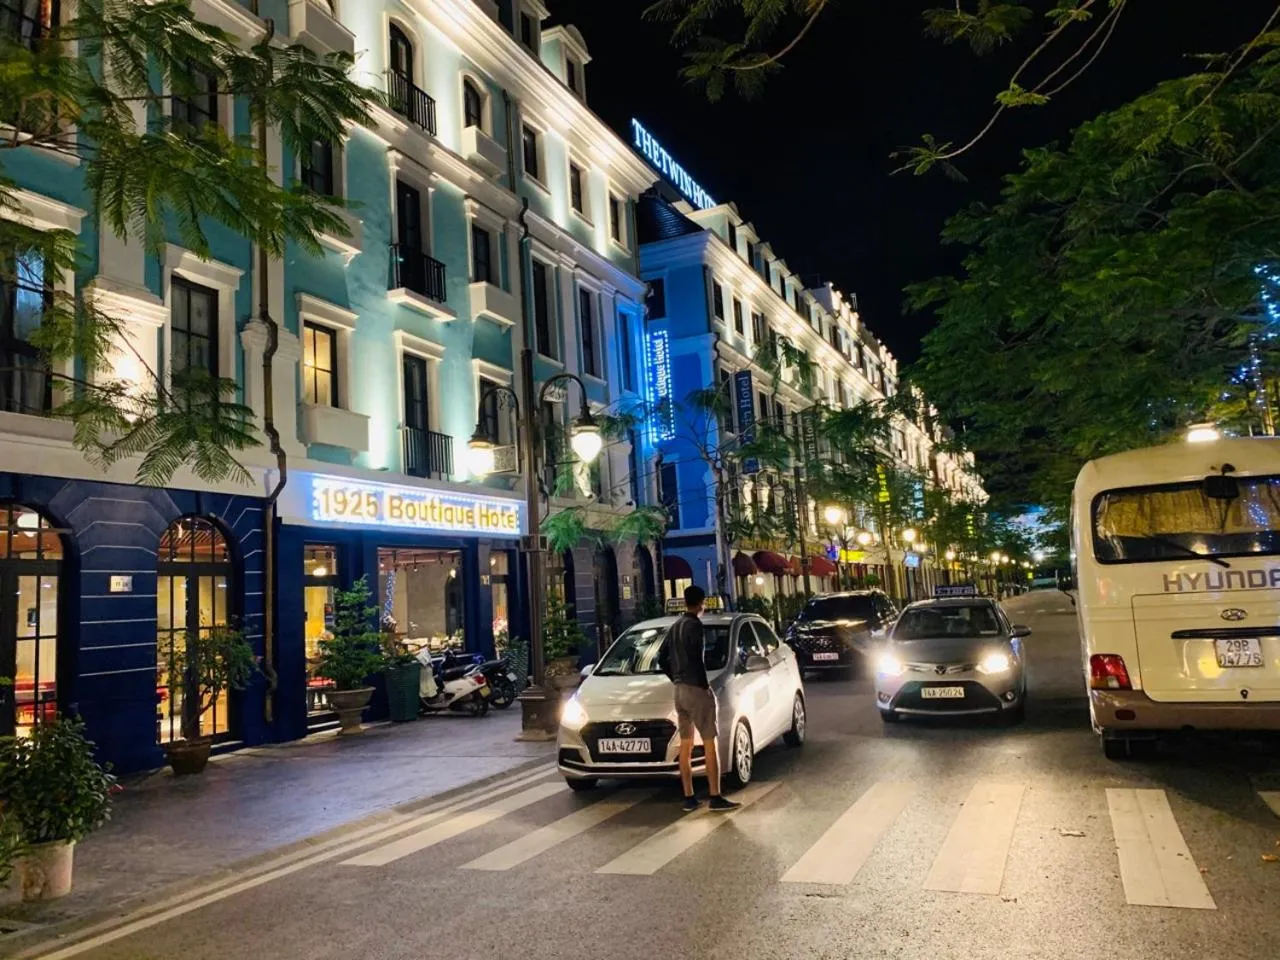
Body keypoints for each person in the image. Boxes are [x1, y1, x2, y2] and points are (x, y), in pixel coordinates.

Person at [666, 585, 739, 813]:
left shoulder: (675, 626)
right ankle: (715, 795)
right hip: (695, 688)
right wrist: (703, 685)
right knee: (709, 741)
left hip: (679, 690)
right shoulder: (695, 626)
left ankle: (689, 797)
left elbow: (661, 658)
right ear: (701, 603)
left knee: (685, 744)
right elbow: (697, 658)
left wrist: (676, 678)